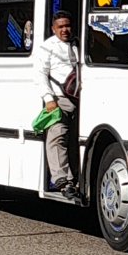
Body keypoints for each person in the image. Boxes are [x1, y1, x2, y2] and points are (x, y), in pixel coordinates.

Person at [34, 10, 79, 199]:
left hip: (80, 101)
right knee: (57, 138)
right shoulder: (47, 47)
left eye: (67, 25)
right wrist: (48, 99)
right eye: (60, 27)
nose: (65, 30)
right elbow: (40, 74)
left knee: (75, 142)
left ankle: (76, 179)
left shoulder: (79, 44)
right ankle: (62, 181)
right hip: (58, 100)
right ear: (53, 29)